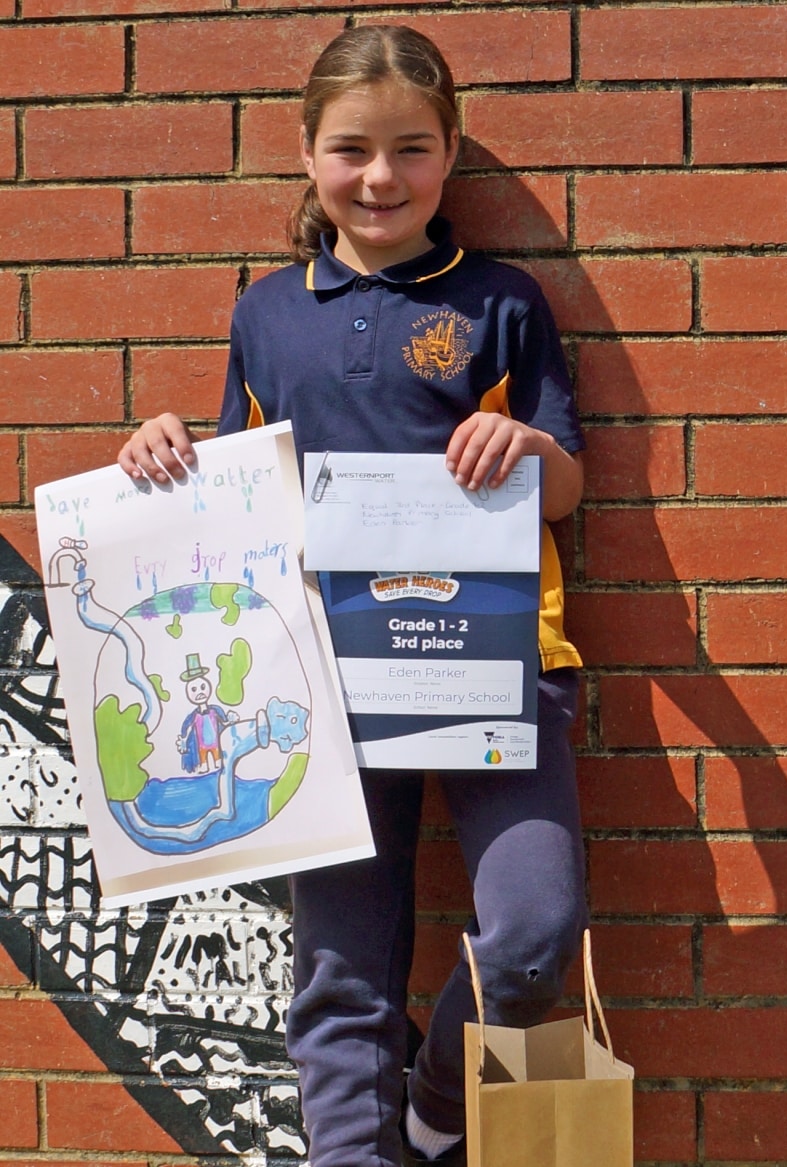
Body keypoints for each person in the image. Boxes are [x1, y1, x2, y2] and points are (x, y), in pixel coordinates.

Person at [117, 26, 586, 1167]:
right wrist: (163, 450)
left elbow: (569, 486)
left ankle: (433, 1110)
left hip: (499, 669)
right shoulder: (265, 313)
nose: (381, 177)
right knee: (339, 974)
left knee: (533, 933)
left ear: (452, 152)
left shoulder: (503, 301)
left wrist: (525, 448)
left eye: (412, 148)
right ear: (306, 154)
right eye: (352, 150)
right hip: (318, 680)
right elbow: (234, 491)